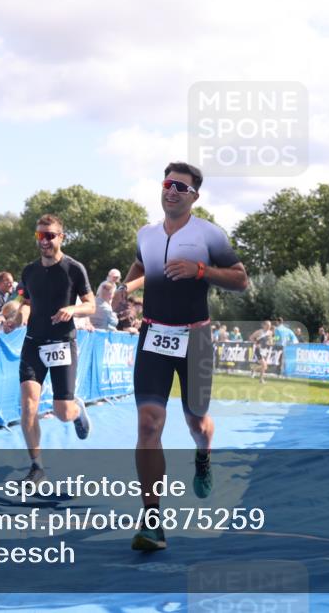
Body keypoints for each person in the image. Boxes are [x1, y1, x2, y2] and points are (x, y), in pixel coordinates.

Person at [117, 162, 248, 552]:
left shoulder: (209, 234)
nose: (171, 191)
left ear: (194, 196)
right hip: (153, 335)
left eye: (181, 187)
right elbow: (141, 264)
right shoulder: (147, 234)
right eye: (167, 184)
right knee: (148, 424)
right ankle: (152, 519)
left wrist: (201, 269)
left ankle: (203, 456)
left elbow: (241, 279)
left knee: (197, 421)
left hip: (196, 338)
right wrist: (126, 288)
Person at [9, 214, 96, 483]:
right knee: (28, 405)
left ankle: (77, 410)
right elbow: (23, 300)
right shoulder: (29, 270)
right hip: (33, 343)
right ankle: (37, 467)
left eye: (49, 235)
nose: (44, 241)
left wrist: (73, 308)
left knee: (62, 412)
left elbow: (91, 304)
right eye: (40, 235)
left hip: (62, 345)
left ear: (61, 237)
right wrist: (18, 316)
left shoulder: (74, 268)